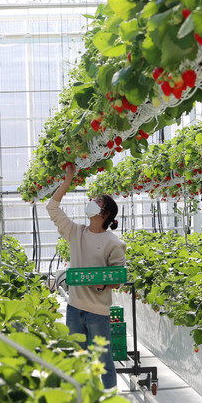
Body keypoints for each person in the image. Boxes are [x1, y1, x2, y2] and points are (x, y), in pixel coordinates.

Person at [46, 163, 126, 389]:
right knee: (77, 360)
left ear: (106, 213)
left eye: (98, 203)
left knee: (104, 361)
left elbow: (118, 277)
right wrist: (67, 180)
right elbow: (52, 208)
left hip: (98, 311)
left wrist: (101, 284)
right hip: (74, 307)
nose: (92, 203)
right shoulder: (76, 232)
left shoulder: (113, 242)